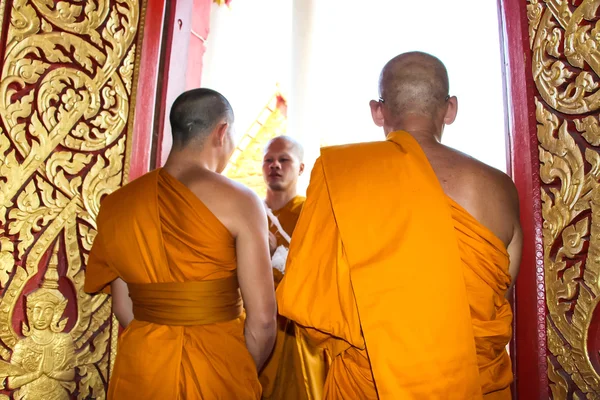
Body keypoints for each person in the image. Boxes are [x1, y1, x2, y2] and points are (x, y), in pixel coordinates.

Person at [276, 52, 522, 399]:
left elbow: (310, 304)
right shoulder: (498, 188)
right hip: (471, 383)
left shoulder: (343, 176)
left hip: (370, 383)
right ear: (450, 108)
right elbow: (500, 293)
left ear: (378, 110)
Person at [85, 88, 277, 399]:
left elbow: (123, 306)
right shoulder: (240, 200)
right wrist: (235, 368)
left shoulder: (117, 205)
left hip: (142, 369)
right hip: (217, 371)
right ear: (222, 131)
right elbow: (264, 319)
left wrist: (162, 340)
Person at [259, 136, 328, 400]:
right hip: (257, 327)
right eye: (268, 160)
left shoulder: (313, 214)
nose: (274, 165)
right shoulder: (247, 210)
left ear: (300, 168)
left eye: (284, 159)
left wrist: (274, 254)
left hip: (300, 333)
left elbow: (321, 273)